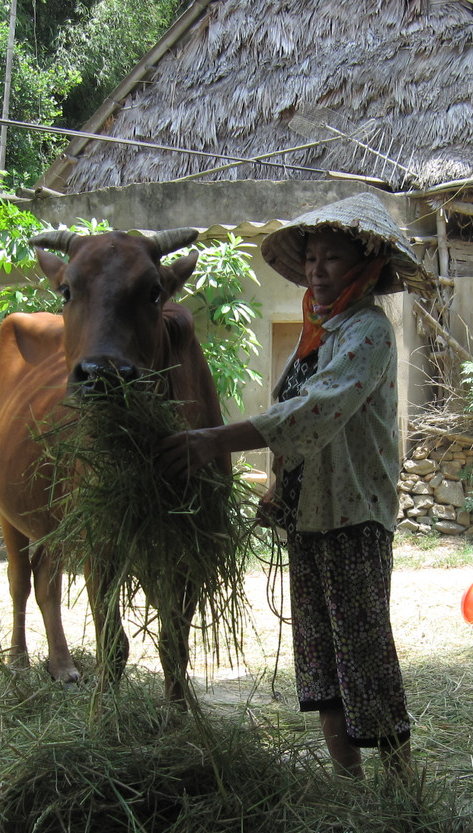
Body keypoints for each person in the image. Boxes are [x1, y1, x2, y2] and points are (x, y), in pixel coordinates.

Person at [158, 194, 434, 779]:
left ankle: (406, 794)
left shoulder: (368, 333)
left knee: (363, 650)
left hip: (354, 511)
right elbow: (288, 408)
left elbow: (313, 410)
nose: (317, 270)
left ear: (364, 266)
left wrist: (214, 440)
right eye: (311, 258)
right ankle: (348, 788)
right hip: (307, 512)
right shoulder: (316, 332)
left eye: (331, 258)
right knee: (319, 654)